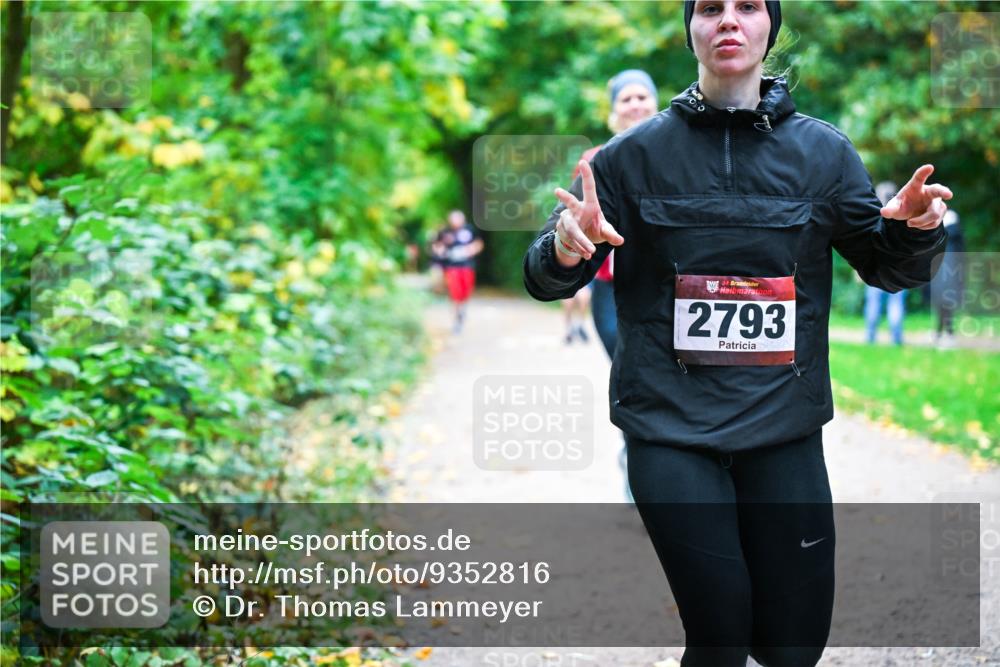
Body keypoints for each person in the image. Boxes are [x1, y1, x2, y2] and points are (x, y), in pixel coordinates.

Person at [522, 2, 951, 665]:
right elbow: (547, 276)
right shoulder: (631, 158)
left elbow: (886, 266)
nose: (728, 20)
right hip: (671, 428)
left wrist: (913, 233)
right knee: (720, 638)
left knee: (793, 646)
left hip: (781, 426)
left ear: (769, 27)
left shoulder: (824, 154)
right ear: (690, 28)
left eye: (748, 6)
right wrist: (563, 248)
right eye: (710, 8)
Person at [863, 181, 907, 345]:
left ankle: (870, 336)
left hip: (875, 267)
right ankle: (896, 339)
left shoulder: (872, 217)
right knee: (896, 303)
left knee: (873, 302)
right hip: (898, 268)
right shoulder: (903, 216)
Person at [432, 210, 483, 333]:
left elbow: (479, 243)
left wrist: (471, 250)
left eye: (458, 219)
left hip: (467, 266)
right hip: (451, 267)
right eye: (453, 219)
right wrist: (441, 251)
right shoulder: (445, 232)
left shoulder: (470, 230)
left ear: (463, 220)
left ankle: (462, 309)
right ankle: (456, 320)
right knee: (455, 292)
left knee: (466, 291)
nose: (456, 222)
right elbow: (436, 245)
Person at [931, 209, 966, 348]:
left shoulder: (941, 234)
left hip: (945, 273)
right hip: (947, 273)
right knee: (945, 304)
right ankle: (943, 333)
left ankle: (943, 333)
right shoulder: (955, 235)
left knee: (943, 303)